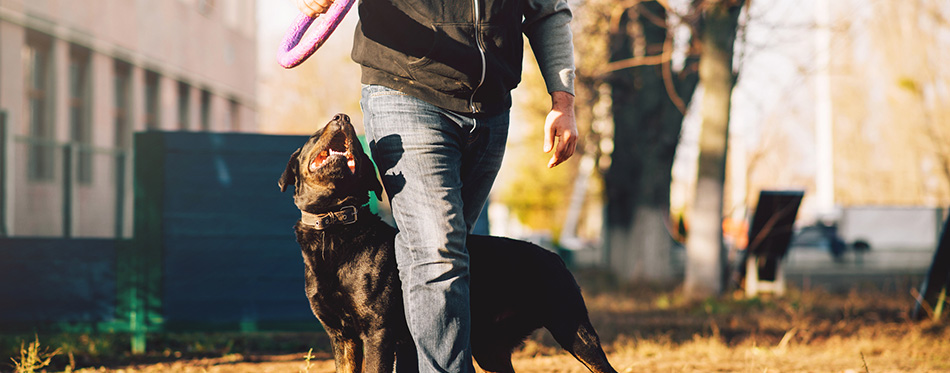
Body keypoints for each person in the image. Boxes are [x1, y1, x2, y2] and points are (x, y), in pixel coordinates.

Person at [294, 0, 577, 371]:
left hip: (490, 108)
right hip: (406, 90)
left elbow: (549, 10)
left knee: (431, 261)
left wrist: (563, 99)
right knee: (437, 251)